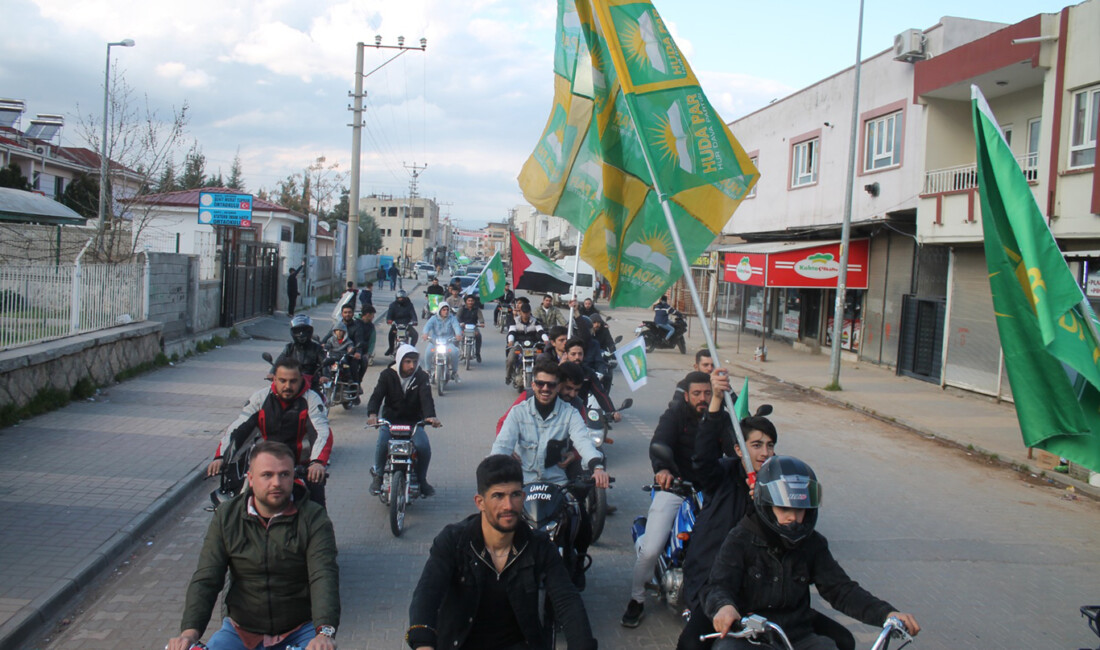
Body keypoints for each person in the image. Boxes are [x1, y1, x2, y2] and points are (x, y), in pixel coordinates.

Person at [701, 455, 921, 649]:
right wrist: (724, 607)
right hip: (750, 637)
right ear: (766, 505)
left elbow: (840, 589)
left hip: (798, 637)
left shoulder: (812, 544)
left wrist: (887, 614)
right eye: (784, 508)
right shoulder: (740, 539)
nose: (793, 518)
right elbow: (719, 585)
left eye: (800, 510)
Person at [405, 455, 598, 650]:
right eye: (498, 496)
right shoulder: (454, 541)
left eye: (515, 495)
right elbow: (428, 593)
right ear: (480, 502)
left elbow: (567, 601)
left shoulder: (539, 545)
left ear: (523, 498)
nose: (508, 505)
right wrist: (423, 643)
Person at [167, 441, 339, 650]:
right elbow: (207, 577)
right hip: (240, 631)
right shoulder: (227, 516)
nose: (276, 482)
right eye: (267, 475)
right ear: (251, 478)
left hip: (298, 630)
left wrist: (324, 632)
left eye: (284, 474)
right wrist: (189, 633)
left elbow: (323, 575)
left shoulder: (313, 517)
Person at [676, 370, 782, 649]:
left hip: (762, 591)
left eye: (770, 446)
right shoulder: (722, 475)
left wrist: (766, 506)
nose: (764, 453)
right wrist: (716, 401)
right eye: (756, 445)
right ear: (738, 449)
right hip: (714, 584)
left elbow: (792, 536)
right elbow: (702, 459)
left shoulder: (778, 485)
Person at [491, 361, 609, 588]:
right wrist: (492, 473)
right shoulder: (518, 412)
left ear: (557, 387)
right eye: (541, 384)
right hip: (524, 483)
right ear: (533, 384)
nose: (546, 389)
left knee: (580, 519)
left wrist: (597, 466)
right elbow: (501, 445)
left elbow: (583, 442)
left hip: (557, 483)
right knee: (496, 523)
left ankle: (578, 559)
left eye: (551, 385)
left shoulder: (571, 413)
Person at [621, 370, 714, 628]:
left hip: (710, 491)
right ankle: (637, 599)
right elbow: (660, 443)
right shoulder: (674, 416)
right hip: (676, 487)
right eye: (697, 393)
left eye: (707, 393)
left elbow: (733, 448)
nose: (702, 398)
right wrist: (663, 469)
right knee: (650, 549)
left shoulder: (719, 419)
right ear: (687, 395)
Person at [207, 357, 332, 506]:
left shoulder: (311, 399)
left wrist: (317, 463)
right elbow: (239, 428)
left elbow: (321, 431)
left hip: (300, 466)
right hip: (266, 464)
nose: (287, 386)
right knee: (234, 505)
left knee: (317, 512)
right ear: (274, 379)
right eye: (282, 380)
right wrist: (221, 456)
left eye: (293, 381)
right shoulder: (260, 398)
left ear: (301, 379)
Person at [366, 344, 440, 497]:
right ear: (399, 361)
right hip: (390, 421)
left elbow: (426, 398)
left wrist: (430, 417)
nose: (411, 365)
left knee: (423, 446)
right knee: (382, 443)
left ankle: (422, 479)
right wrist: (372, 414)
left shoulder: (421, 377)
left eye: (414, 361)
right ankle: (378, 477)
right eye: (407, 361)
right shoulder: (387, 375)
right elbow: (377, 395)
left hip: (413, 422)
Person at [324, 304, 371, 398]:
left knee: (358, 363)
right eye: (345, 312)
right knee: (322, 363)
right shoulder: (337, 325)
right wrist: (320, 344)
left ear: (353, 313)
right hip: (335, 354)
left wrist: (358, 352)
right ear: (342, 314)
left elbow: (359, 340)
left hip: (350, 354)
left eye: (349, 312)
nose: (347, 314)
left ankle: (355, 387)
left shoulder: (357, 326)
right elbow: (327, 337)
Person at [273, 315, 327, 396]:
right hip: (291, 378)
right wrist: (272, 373)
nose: (301, 334)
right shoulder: (289, 347)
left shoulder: (317, 348)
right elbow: (279, 361)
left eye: (304, 330)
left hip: (311, 382)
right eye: (298, 331)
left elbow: (325, 363)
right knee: (273, 394)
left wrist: (325, 376)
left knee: (318, 399)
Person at [505, 303, 549, 385]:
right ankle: (508, 376)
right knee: (510, 358)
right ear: (520, 312)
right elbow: (511, 332)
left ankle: (542, 378)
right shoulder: (515, 321)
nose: (525, 314)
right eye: (523, 312)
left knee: (542, 358)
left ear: (530, 312)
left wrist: (546, 340)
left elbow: (541, 331)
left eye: (527, 312)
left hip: (533, 347)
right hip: (519, 346)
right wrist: (510, 341)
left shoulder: (535, 321)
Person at [422, 302, 462, 382]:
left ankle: (454, 373)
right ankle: (428, 371)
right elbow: (427, 326)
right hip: (435, 342)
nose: (446, 311)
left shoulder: (452, 318)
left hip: (448, 342)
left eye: (447, 309)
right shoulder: (434, 318)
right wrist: (425, 334)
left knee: (454, 352)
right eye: (444, 310)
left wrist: (458, 334)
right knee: (428, 352)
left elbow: (456, 326)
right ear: (440, 310)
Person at [384, 289, 420, 355]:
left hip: (407, 325)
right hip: (396, 325)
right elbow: (389, 315)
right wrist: (389, 321)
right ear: (396, 298)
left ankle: (411, 348)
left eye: (402, 298)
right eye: (399, 298)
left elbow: (413, 314)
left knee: (415, 335)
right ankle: (391, 348)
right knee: (391, 335)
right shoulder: (392, 305)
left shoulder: (409, 305)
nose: (400, 299)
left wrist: (414, 321)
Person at [456, 293, 484, 363]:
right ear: (466, 301)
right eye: (469, 301)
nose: (470, 302)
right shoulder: (462, 309)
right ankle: (460, 352)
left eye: (472, 301)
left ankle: (477, 353)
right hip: (463, 327)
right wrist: (459, 323)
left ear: (474, 302)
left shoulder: (477, 309)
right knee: (459, 337)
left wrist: (482, 323)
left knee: (478, 336)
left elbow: (480, 317)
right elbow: (457, 317)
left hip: (473, 327)